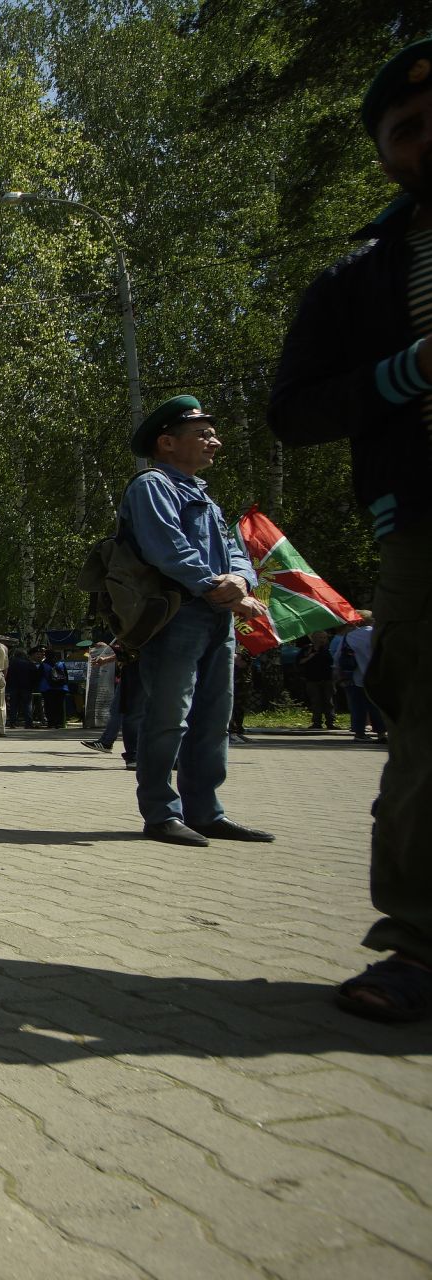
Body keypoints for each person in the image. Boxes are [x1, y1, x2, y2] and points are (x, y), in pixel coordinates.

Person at [269, 39, 432, 1020]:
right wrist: (409, 369)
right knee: (425, 738)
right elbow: (293, 408)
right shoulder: (359, 281)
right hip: (423, 523)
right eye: (405, 128)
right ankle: (417, 943)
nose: (425, 137)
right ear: (383, 154)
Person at [122, 395, 272, 847]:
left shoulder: (202, 494)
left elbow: (236, 553)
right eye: (203, 434)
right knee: (169, 716)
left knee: (213, 717)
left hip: (217, 616)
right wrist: (216, 586)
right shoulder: (152, 486)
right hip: (175, 615)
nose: (215, 442)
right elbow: (167, 549)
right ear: (167, 442)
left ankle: (205, 811)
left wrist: (241, 584)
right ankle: (161, 813)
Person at [342, 612, 388, 743]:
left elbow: (342, 656)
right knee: (377, 705)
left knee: (358, 706)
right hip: (378, 674)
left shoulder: (350, 636)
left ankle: (359, 733)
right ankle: (381, 733)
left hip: (357, 675)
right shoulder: (378, 633)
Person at [298, 633, 339, 730]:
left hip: (327, 679)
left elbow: (335, 662)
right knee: (316, 702)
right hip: (312, 679)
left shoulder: (329, 649)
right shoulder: (307, 649)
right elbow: (300, 662)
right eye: (320, 637)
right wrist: (310, 655)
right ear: (314, 638)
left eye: (324, 638)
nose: (322, 640)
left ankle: (330, 722)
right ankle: (317, 722)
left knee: (329, 702)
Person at [36, 645, 71, 729]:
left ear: (46, 655)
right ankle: (59, 723)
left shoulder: (43, 665)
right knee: (59, 706)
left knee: (49, 706)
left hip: (48, 689)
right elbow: (66, 675)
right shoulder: (61, 663)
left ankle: (51, 722)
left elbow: (38, 677)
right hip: (61, 688)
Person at [5, 644, 36, 728]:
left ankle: (12, 722)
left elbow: (6, 674)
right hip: (26, 687)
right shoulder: (29, 663)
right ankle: (28, 723)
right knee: (27, 705)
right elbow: (34, 675)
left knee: (13, 705)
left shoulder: (10, 663)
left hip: (13, 686)